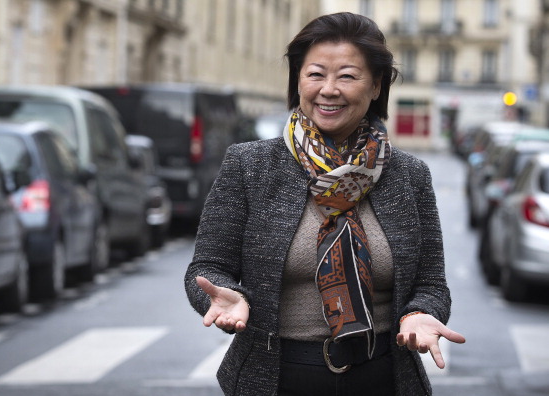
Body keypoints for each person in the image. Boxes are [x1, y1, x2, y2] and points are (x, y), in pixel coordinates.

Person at [184, 12, 465, 396]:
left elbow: (431, 284)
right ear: (298, 80)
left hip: (384, 377)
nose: (329, 89)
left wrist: (421, 313)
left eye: (347, 76)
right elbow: (207, 267)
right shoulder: (249, 165)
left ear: (376, 85)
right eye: (315, 74)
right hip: (276, 377)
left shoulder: (409, 175)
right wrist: (221, 296)